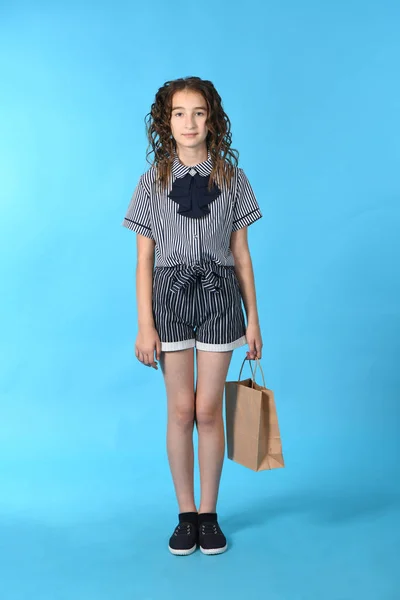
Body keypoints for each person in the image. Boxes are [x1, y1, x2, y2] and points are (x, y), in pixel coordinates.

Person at [122, 76, 263, 556]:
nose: (189, 122)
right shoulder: (152, 182)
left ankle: (209, 513)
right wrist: (146, 324)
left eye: (199, 112)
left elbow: (241, 255)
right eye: (179, 113)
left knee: (208, 410)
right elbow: (143, 260)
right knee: (181, 411)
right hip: (170, 297)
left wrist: (254, 318)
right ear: (166, 122)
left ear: (212, 120)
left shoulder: (232, 179)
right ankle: (185, 515)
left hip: (221, 295)